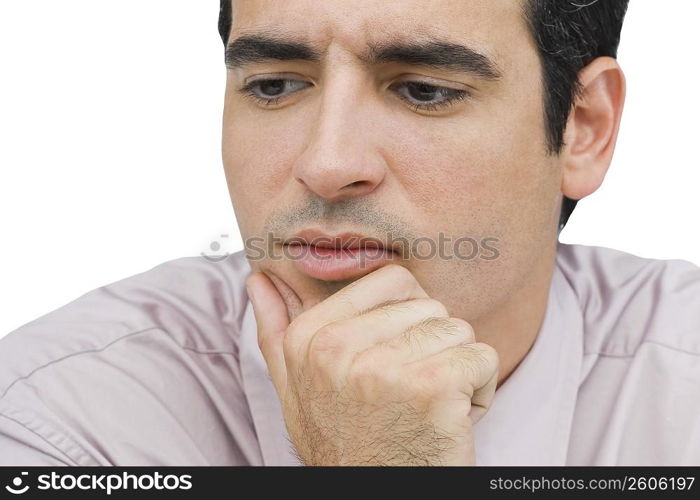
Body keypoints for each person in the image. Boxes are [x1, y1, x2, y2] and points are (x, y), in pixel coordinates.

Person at [1, 0, 698, 466]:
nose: (327, 164)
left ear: (584, 127)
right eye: (273, 85)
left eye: (424, 89)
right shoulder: (57, 420)